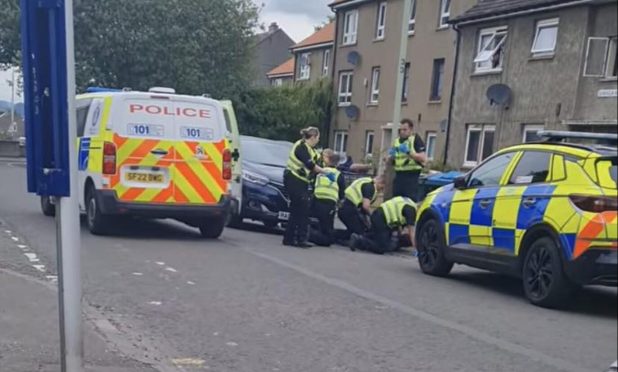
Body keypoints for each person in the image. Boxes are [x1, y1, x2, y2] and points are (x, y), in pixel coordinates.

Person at [283, 127, 334, 248]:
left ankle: (288, 238)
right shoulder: (301, 147)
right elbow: (311, 165)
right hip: (294, 179)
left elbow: (318, 162)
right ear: (313, 137)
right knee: (303, 209)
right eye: (318, 138)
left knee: (296, 210)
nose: (318, 140)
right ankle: (301, 239)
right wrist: (326, 172)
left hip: (301, 181)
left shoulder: (310, 149)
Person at [349, 196, 417, 255]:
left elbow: (400, 228)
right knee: (381, 247)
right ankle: (359, 240)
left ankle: (358, 237)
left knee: (377, 236)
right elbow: (412, 233)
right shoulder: (411, 210)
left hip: (379, 215)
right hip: (381, 219)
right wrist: (417, 250)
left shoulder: (409, 203)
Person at [309, 149, 346, 247]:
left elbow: (313, 184)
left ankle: (307, 234)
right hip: (329, 203)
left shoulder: (321, 171)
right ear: (337, 164)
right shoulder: (338, 175)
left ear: (328, 161)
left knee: (315, 222)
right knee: (327, 230)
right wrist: (340, 202)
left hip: (316, 201)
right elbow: (342, 192)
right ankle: (315, 237)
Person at [388, 119, 427, 201]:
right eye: (400, 130)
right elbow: (394, 160)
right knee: (396, 202)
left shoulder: (415, 139)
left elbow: (423, 158)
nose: (402, 132)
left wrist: (409, 152)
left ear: (411, 130)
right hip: (399, 177)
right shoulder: (396, 141)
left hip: (411, 177)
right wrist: (390, 157)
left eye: (405, 130)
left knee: (409, 202)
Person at [337, 176, 384, 242]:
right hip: (348, 209)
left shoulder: (365, 180)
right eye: (382, 188)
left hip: (344, 206)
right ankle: (332, 235)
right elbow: (365, 206)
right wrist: (373, 216)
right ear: (380, 183)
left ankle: (334, 236)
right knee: (360, 233)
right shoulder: (370, 186)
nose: (381, 190)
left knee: (353, 230)